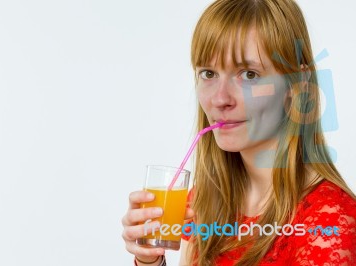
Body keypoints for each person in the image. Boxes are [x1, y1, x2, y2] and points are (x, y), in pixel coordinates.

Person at [122, 0, 356, 265]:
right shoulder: (201, 201)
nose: (220, 99)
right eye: (208, 73)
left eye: (249, 74)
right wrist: (150, 260)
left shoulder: (332, 220)